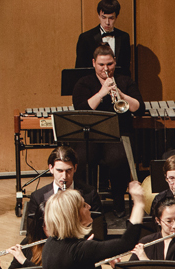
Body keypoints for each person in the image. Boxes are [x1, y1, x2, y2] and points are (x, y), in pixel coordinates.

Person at [72, 44, 144, 217]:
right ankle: (86, 203)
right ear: (93, 63)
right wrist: (102, 92)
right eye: (101, 65)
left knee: (118, 158)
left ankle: (119, 204)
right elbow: (80, 110)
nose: (106, 68)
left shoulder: (125, 81)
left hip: (117, 135)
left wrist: (121, 94)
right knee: (81, 158)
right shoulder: (84, 83)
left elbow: (139, 108)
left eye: (110, 64)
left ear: (115, 62)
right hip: (90, 135)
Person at [25, 146, 103, 224]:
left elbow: (99, 225)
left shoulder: (90, 194)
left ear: (75, 168)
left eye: (69, 170)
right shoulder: (37, 197)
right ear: (51, 168)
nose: (64, 176)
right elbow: (33, 229)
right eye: (59, 171)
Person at [75, 0, 130, 74]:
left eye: (111, 18)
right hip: (92, 80)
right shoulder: (86, 38)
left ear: (116, 17)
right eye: (103, 17)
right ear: (98, 15)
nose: (107, 22)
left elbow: (125, 68)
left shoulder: (124, 37)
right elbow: (80, 70)